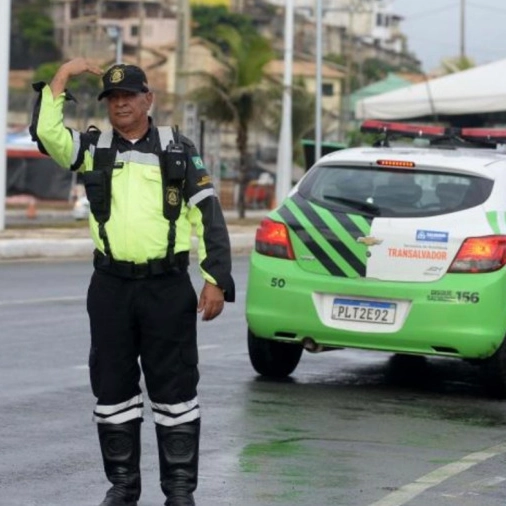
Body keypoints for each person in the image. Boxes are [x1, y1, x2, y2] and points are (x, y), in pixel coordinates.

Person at [30, 58, 235, 506]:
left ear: (149, 99)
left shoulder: (177, 149)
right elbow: (48, 134)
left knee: (175, 390)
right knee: (113, 388)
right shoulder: (91, 148)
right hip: (110, 289)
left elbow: (209, 217)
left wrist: (215, 279)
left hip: (166, 288)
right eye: (113, 98)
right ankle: (123, 487)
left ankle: (179, 491)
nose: (121, 104)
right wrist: (63, 75)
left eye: (129, 96)